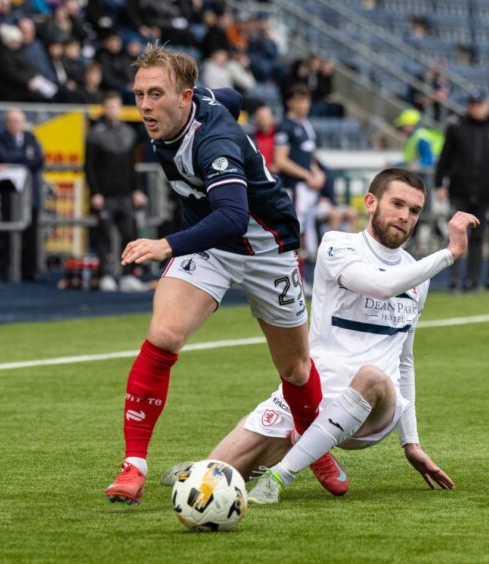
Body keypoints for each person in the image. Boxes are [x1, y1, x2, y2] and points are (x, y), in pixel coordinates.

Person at [159, 169, 480, 502]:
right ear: (370, 202)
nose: (405, 216)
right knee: (211, 479)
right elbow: (381, 286)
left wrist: (410, 442)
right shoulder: (336, 246)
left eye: (414, 210)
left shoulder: (418, 273)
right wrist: (448, 254)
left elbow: (405, 359)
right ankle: (209, 466)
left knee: (371, 376)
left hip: (373, 408)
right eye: (397, 204)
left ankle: (278, 478)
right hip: (310, 396)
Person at [105, 44, 326, 506]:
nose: (144, 105)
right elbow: (230, 97)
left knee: (295, 368)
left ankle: (314, 444)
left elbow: (231, 214)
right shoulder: (190, 104)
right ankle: (133, 466)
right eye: (139, 94)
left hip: (268, 249)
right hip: (210, 245)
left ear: (184, 97)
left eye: (155, 94)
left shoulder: (215, 142)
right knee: (164, 335)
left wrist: (164, 245)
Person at [435, 91, 489, 292]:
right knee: (455, 234)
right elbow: (445, 157)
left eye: (480, 104)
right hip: (459, 189)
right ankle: (453, 278)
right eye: (473, 104)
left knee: (478, 236)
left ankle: (472, 280)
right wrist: (439, 183)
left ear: (486, 105)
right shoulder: (457, 127)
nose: (477, 108)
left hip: (485, 192)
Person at [84, 92, 148, 293]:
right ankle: (105, 275)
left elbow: (132, 166)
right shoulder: (95, 134)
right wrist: (95, 192)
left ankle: (129, 274)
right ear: (104, 108)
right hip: (105, 195)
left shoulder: (128, 133)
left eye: (116, 106)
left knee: (130, 235)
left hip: (125, 195)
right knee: (104, 237)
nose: (113, 110)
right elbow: (89, 167)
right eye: (109, 106)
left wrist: (137, 189)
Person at [273, 85, 324, 261]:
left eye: (306, 100)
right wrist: (307, 175)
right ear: (290, 103)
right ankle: (295, 271)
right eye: (299, 100)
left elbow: (310, 157)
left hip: (309, 186)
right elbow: (281, 160)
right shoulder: (285, 127)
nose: (304, 105)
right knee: (296, 228)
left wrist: (317, 173)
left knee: (310, 231)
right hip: (294, 187)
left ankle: (305, 274)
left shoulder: (307, 125)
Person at [0, 109, 45, 282]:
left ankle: (29, 270)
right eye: (12, 121)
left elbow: (38, 159)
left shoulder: (31, 138)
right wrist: (24, 160)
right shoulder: (1, 138)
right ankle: (3, 269)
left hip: (31, 196)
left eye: (18, 121)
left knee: (31, 235)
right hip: (10, 196)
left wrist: (14, 163)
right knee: (6, 235)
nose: (15, 124)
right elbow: (2, 156)